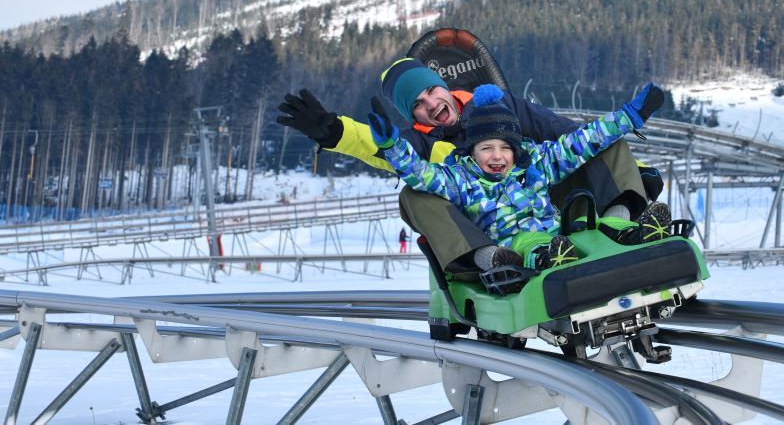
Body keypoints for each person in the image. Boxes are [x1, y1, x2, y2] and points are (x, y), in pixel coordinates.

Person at [277, 51, 666, 274]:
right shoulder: (420, 143)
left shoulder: (501, 105)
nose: (432, 104)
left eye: (431, 90)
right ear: (413, 114)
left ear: (442, 85)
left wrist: (630, 168)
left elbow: (566, 135)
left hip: (544, 197)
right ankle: (488, 260)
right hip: (492, 224)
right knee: (415, 195)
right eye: (419, 104)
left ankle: (621, 223)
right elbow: (385, 152)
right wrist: (335, 132)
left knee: (598, 141)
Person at [366, 83, 664, 281]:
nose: (497, 156)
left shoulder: (535, 162)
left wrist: (629, 116)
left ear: (515, 147)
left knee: (587, 226)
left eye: (505, 148)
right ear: (471, 151)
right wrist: (393, 146)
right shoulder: (461, 179)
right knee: (532, 244)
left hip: (559, 234)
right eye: (486, 149)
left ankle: (624, 231)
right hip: (517, 245)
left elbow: (582, 142)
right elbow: (421, 174)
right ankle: (547, 261)